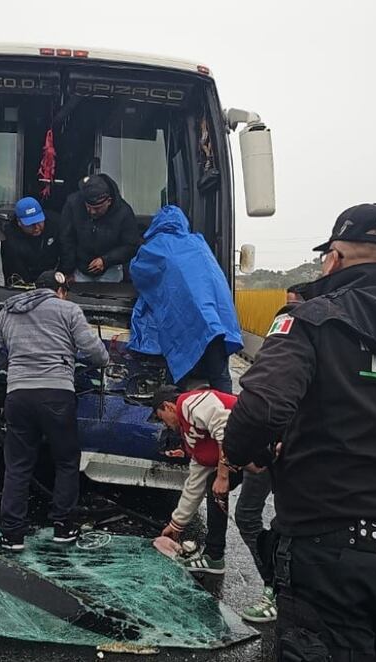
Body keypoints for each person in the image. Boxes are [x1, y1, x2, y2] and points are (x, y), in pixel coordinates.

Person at [223, 203, 376, 662]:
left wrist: (243, 454)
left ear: (336, 257)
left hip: (325, 548)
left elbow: (262, 407)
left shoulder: (312, 319)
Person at [0, 270, 109, 551]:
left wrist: (13, 366)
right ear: (60, 291)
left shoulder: (8, 311)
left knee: (18, 466)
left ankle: (12, 535)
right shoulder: (68, 310)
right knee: (65, 461)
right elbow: (97, 355)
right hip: (56, 395)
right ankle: (63, 527)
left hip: (18, 396)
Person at [234, 283, 306, 624]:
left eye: (297, 303)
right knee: (249, 516)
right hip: (266, 451)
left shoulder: (320, 337)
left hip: (291, 457)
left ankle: (280, 591)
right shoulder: (284, 329)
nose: (289, 308)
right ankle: (273, 584)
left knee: (290, 525)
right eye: (288, 303)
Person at [128, 205, 242, 394]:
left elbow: (137, 271)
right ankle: (227, 418)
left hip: (185, 323)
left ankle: (174, 417)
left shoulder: (157, 246)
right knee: (220, 377)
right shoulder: (198, 243)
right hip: (216, 322)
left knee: (178, 378)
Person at [151, 385, 247, 575]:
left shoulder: (190, 403)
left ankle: (279, 584)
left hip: (266, 445)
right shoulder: (191, 438)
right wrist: (176, 523)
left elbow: (226, 427)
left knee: (248, 518)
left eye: (163, 419)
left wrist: (222, 475)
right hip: (249, 456)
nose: (167, 426)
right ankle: (214, 557)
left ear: (168, 406)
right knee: (215, 490)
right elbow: (194, 484)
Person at [59, 174, 140, 283]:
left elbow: (131, 245)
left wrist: (106, 260)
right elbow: (66, 239)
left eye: (97, 208)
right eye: (88, 207)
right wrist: (67, 270)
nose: (92, 212)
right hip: (79, 269)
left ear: (109, 201)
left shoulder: (124, 213)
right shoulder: (73, 205)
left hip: (111, 269)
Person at [3, 196, 62, 285]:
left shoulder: (55, 222)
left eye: (39, 221)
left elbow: (67, 248)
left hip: (52, 274)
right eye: (31, 224)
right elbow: (16, 268)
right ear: (19, 222)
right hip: (24, 277)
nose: (36, 227)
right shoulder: (9, 237)